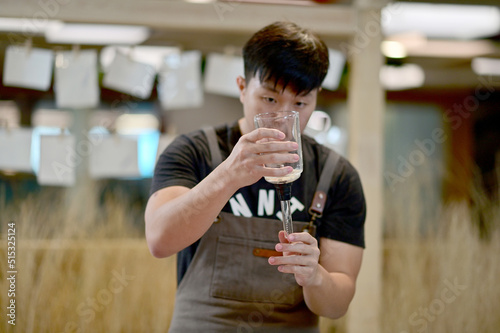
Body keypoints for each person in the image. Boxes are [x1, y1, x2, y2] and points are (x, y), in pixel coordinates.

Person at [145, 21, 366, 332]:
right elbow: (159, 240)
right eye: (270, 99)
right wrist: (229, 175)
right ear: (241, 87)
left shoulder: (336, 176)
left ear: (316, 99)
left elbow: (337, 305)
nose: (283, 117)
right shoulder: (194, 152)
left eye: (301, 103)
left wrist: (315, 276)